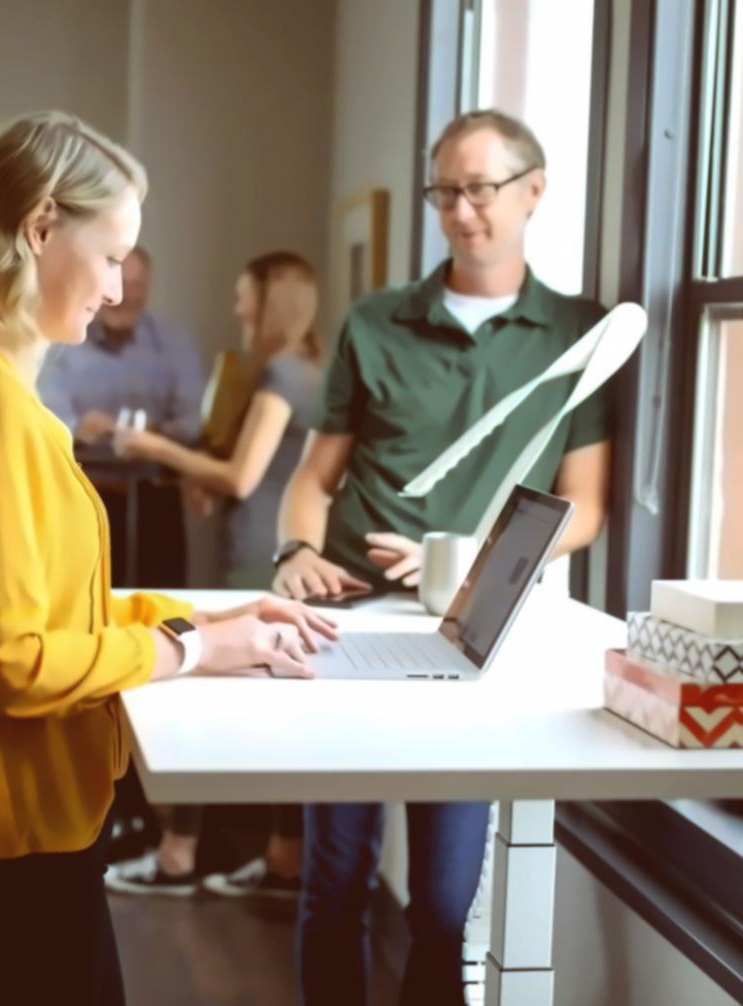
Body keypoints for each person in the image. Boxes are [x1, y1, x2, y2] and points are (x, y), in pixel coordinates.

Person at [0, 110, 335, 1006]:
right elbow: (14, 661)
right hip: (9, 838)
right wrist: (194, 652)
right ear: (40, 227)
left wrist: (205, 622)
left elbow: (50, 616)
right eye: (112, 255)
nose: (118, 289)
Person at [272, 110, 614, 1004]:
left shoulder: (578, 334)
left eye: (481, 188)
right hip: (346, 635)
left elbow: (583, 510)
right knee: (333, 888)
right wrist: (295, 550)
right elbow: (313, 479)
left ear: (533, 190)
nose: (461, 211)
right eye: (444, 192)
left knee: (442, 906)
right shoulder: (376, 322)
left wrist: (471, 561)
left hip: (472, 644)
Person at [101, 251, 324, 899]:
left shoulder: (283, 372)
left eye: (242, 294)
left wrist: (153, 449)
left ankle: (181, 854)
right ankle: (279, 858)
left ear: (269, 299)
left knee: (204, 690)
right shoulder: (304, 369)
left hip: (257, 559)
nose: (235, 307)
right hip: (263, 551)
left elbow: (240, 477)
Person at [37, 246, 205, 588]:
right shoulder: (61, 342)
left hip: (157, 502)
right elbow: (45, 420)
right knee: (84, 605)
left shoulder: (175, 342)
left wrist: (154, 436)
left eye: (137, 285)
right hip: (83, 496)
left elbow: (194, 422)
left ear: (148, 288)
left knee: (162, 606)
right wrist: (78, 428)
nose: (126, 296)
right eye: (119, 283)